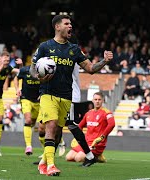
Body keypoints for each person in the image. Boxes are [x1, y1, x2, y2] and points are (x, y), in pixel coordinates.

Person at [30, 15, 113, 176]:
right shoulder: (45, 47)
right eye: (67, 24)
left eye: (71, 24)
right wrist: (39, 77)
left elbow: (90, 68)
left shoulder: (74, 49)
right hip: (48, 94)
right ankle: (51, 166)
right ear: (57, 27)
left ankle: (42, 163)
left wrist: (104, 61)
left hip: (66, 96)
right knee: (51, 125)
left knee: (58, 132)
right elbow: (33, 69)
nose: (70, 27)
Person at [65, 92, 115, 163]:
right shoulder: (88, 113)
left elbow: (111, 124)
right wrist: (76, 138)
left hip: (96, 144)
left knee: (78, 158)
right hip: (86, 142)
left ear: (103, 100)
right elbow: (80, 126)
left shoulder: (107, 113)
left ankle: (96, 156)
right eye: (96, 99)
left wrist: (102, 137)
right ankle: (96, 157)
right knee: (68, 157)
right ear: (92, 100)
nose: (97, 101)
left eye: (99, 99)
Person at [14, 65, 41, 155]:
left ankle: (47, 149)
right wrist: (17, 89)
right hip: (26, 99)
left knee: (38, 125)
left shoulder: (43, 70)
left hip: (38, 101)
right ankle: (28, 146)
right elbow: (16, 78)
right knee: (28, 120)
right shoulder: (24, 70)